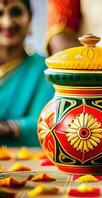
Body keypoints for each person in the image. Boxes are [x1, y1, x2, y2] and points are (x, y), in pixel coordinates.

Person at [0, 0, 54, 146]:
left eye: (16, 12)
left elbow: (47, 124)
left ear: (30, 18)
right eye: (0, 14)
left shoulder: (46, 69)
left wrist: (8, 128)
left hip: (24, 164)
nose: (7, 22)